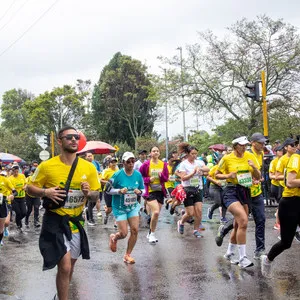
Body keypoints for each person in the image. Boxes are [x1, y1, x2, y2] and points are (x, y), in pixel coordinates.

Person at [26, 126, 100, 300]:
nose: (74, 140)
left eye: (76, 137)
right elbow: (29, 187)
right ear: (59, 141)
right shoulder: (46, 166)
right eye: (69, 137)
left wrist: (89, 193)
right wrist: (45, 192)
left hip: (76, 222)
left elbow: (96, 195)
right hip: (55, 220)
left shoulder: (88, 168)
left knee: (70, 266)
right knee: (65, 265)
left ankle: (61, 293)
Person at [215, 136, 261, 269]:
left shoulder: (250, 156)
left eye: (245, 145)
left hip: (245, 191)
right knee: (243, 221)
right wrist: (228, 176)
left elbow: (258, 176)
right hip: (231, 191)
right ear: (235, 146)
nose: (244, 147)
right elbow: (217, 174)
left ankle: (229, 253)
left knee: (237, 225)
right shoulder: (226, 158)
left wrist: (254, 168)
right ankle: (243, 258)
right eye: (241, 145)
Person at [261, 150, 300, 278]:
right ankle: (267, 259)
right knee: (286, 243)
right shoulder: (296, 158)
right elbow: (290, 182)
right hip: (291, 203)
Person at [107, 152, 145, 264]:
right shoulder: (117, 175)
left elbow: (143, 190)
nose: (131, 164)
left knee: (135, 230)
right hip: (119, 208)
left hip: (133, 206)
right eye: (128, 161)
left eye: (133, 161)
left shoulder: (138, 175)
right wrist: (118, 191)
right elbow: (107, 190)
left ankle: (127, 255)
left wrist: (140, 192)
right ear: (123, 163)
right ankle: (114, 237)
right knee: (123, 233)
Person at [176, 143, 210, 238]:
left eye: (196, 154)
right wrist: (193, 172)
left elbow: (208, 170)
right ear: (187, 154)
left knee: (199, 211)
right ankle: (181, 222)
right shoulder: (183, 164)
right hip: (187, 189)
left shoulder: (199, 162)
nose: (194, 156)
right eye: (192, 154)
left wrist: (201, 170)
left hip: (198, 188)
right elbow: (183, 178)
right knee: (190, 213)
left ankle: (196, 230)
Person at [139, 146, 169, 244]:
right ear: (150, 153)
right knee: (155, 212)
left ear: (159, 153)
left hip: (160, 191)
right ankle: (152, 234)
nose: (155, 152)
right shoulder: (146, 164)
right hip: (149, 191)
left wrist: (161, 176)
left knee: (156, 214)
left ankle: (150, 232)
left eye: (157, 151)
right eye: (153, 151)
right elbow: (139, 177)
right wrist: (148, 179)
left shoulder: (163, 164)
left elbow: (166, 178)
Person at [248, 132, 267, 259]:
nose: (263, 144)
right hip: (245, 192)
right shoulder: (247, 154)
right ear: (253, 143)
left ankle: (260, 249)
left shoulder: (261, 154)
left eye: (263, 142)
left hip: (257, 192)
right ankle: (224, 229)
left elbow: (259, 171)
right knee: (240, 221)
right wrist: (251, 179)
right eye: (260, 142)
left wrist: (259, 178)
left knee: (261, 219)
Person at [0, 170, 17, 246]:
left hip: (3, 204)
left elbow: (15, 191)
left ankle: (1, 238)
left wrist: (12, 195)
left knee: (5, 224)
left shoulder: (5, 180)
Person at [9, 163, 27, 232]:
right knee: (18, 212)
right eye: (15, 171)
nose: (16, 173)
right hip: (14, 198)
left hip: (22, 197)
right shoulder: (10, 179)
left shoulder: (22, 176)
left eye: (17, 171)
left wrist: (25, 187)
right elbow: (10, 188)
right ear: (12, 171)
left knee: (24, 213)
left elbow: (26, 183)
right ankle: (18, 224)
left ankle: (18, 220)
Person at [101, 157, 119, 225]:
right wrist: (108, 183)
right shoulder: (106, 171)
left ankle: (116, 222)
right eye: (112, 162)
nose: (114, 164)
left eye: (115, 162)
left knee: (117, 206)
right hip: (108, 191)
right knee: (109, 209)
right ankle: (107, 215)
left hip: (116, 191)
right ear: (109, 164)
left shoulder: (118, 170)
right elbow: (101, 180)